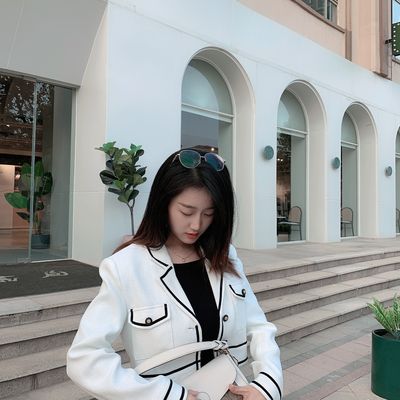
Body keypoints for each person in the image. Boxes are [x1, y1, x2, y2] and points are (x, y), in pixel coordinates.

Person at [67, 148, 283, 400]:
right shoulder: (126, 267)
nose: (196, 225)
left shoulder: (224, 256)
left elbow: (258, 326)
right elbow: (84, 359)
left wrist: (266, 385)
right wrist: (166, 394)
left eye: (209, 213)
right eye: (186, 211)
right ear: (164, 203)